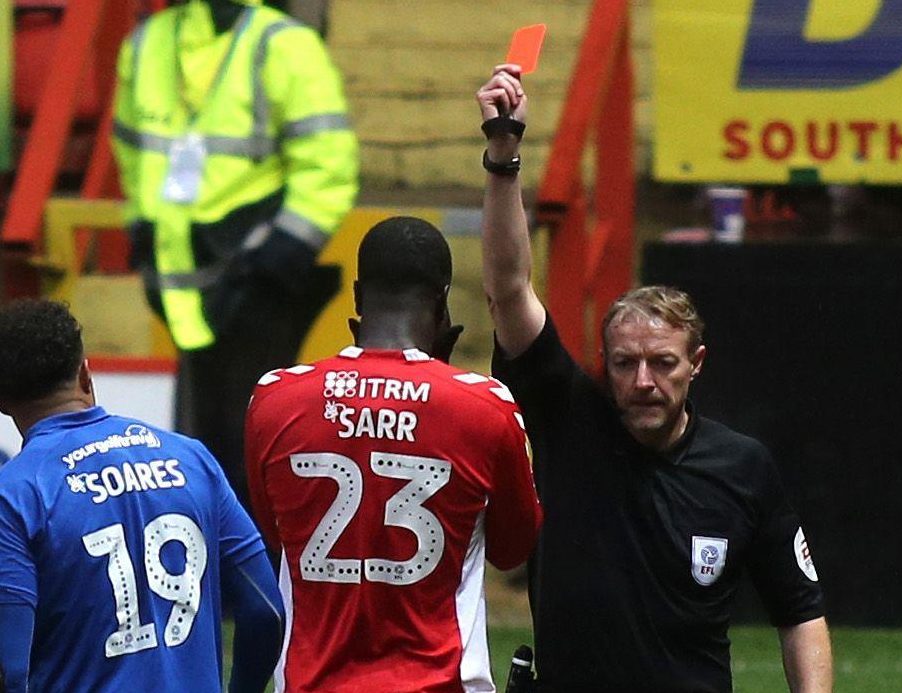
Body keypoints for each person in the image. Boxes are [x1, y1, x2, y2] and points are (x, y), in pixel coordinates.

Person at [476, 66, 833, 692]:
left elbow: (801, 613)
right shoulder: (568, 420)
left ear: (696, 363)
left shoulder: (742, 468)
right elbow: (508, 289)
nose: (643, 381)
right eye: (624, 363)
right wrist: (504, 157)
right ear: (604, 364)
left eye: (663, 363)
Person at [244, 216, 543, 692]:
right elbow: (512, 550)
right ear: (443, 301)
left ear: (358, 296)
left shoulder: (274, 399)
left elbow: (279, 536)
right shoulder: (485, 408)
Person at [112, 0, 359, 509]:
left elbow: (328, 163)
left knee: (251, 462)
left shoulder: (285, 45)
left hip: (258, 278)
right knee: (200, 458)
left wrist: (283, 251)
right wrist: (144, 227)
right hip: (181, 281)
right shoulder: (146, 44)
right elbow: (132, 147)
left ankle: (259, 579)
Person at [0, 299, 284, 692]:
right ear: (86, 374)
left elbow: (10, 667)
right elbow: (265, 610)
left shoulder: (15, 494)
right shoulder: (191, 458)